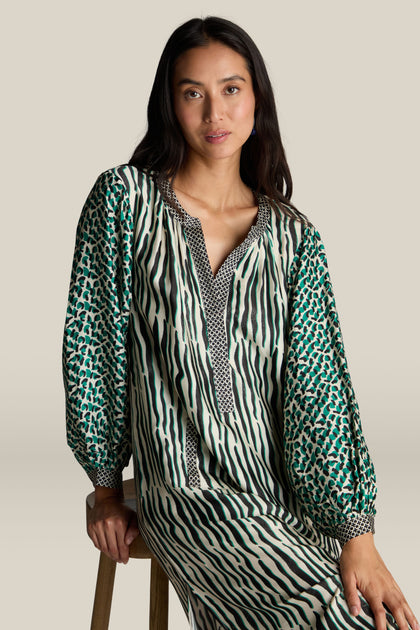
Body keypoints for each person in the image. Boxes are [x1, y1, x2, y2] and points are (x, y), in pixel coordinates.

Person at [63, 16, 418, 630]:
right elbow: (92, 347)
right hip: (187, 494)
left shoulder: (293, 238)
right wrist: (104, 485)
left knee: (371, 614)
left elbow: (319, 390)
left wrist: (354, 532)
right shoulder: (125, 203)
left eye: (231, 88)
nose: (213, 113)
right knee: (341, 618)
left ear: (258, 99)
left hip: (283, 501)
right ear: (170, 104)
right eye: (192, 92)